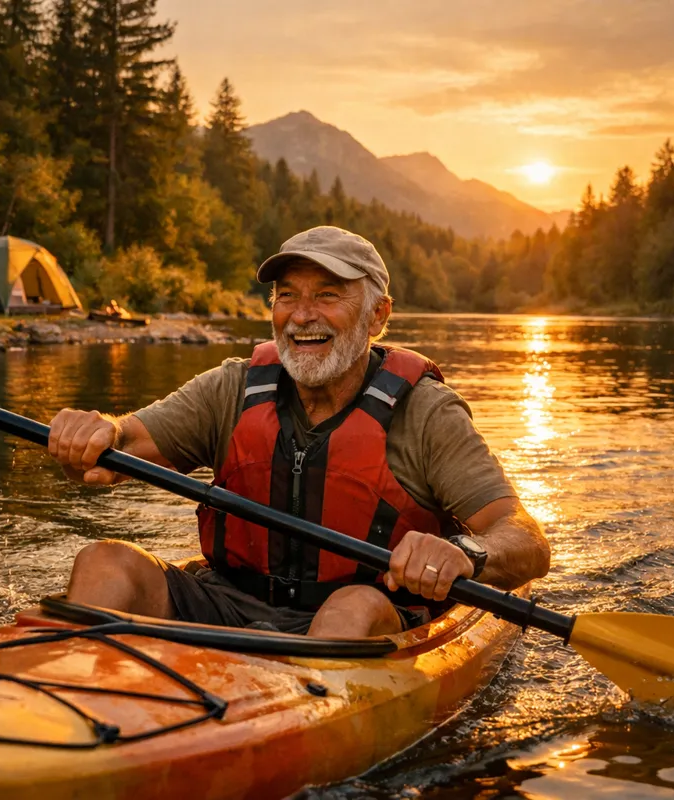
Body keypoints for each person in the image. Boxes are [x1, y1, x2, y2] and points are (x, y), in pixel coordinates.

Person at [48, 226, 550, 638]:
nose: (302, 315)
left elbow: (526, 539)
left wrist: (465, 553)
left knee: (350, 609)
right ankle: (62, 696)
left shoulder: (426, 413)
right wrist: (95, 435)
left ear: (378, 315)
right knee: (104, 562)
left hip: (368, 619)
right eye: (287, 295)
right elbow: (119, 448)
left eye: (327, 295)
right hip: (227, 601)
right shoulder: (233, 388)